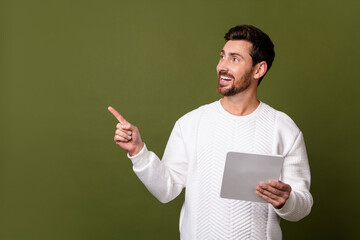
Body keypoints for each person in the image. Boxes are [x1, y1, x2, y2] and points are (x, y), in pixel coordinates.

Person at [108, 25, 313, 240]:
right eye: (222, 56)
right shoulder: (190, 123)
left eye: (234, 59)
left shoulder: (283, 128)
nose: (222, 66)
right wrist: (138, 152)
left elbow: (303, 205)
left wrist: (286, 201)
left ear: (258, 70)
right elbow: (166, 190)